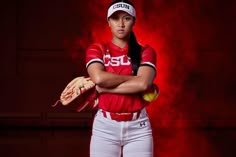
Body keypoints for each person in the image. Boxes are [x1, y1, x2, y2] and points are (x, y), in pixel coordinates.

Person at [85, 0, 157, 156]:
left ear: (134, 21)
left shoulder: (146, 51)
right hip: (105, 126)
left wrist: (104, 87)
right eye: (115, 18)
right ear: (108, 22)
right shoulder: (97, 49)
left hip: (139, 126)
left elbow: (144, 84)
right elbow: (98, 78)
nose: (121, 23)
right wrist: (133, 80)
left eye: (127, 18)